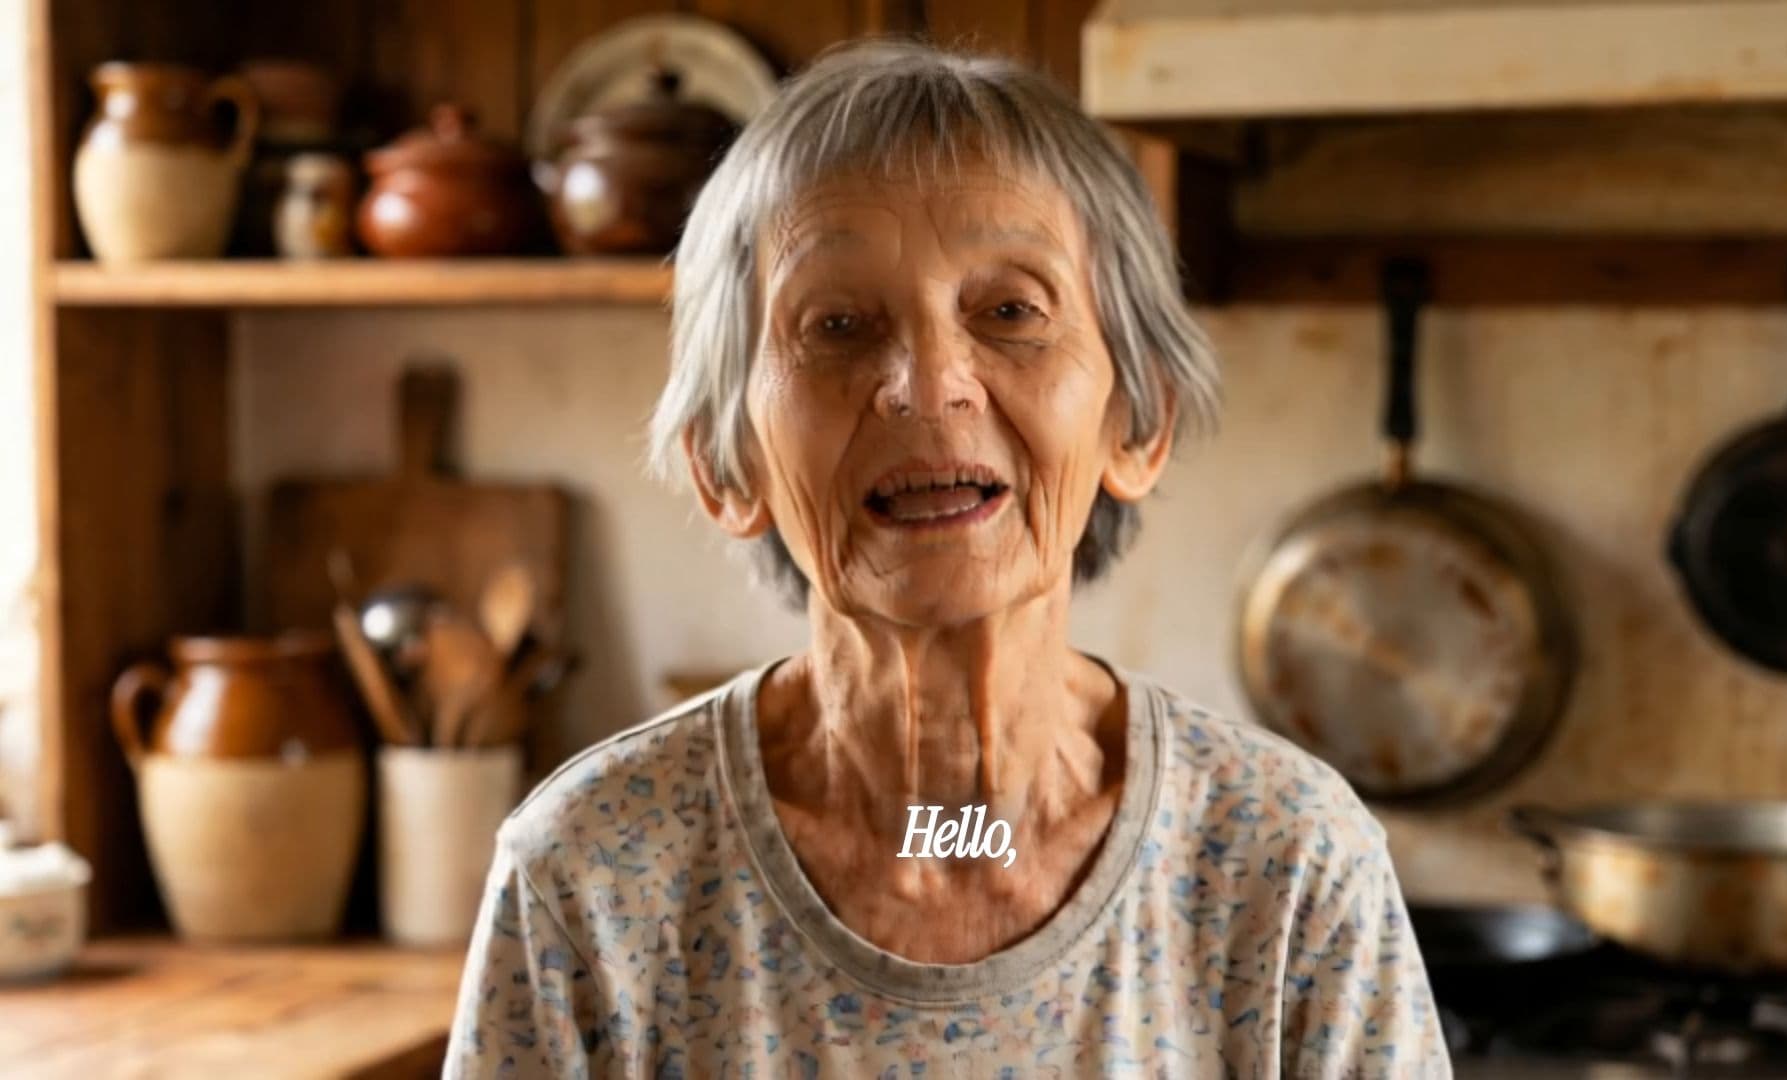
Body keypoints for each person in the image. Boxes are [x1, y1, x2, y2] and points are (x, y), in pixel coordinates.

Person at [445, 38, 1449, 1079]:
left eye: (1011, 312)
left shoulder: (1286, 866)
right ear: (723, 466)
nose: (929, 387)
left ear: (1137, 423)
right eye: (836, 325)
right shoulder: (593, 876)